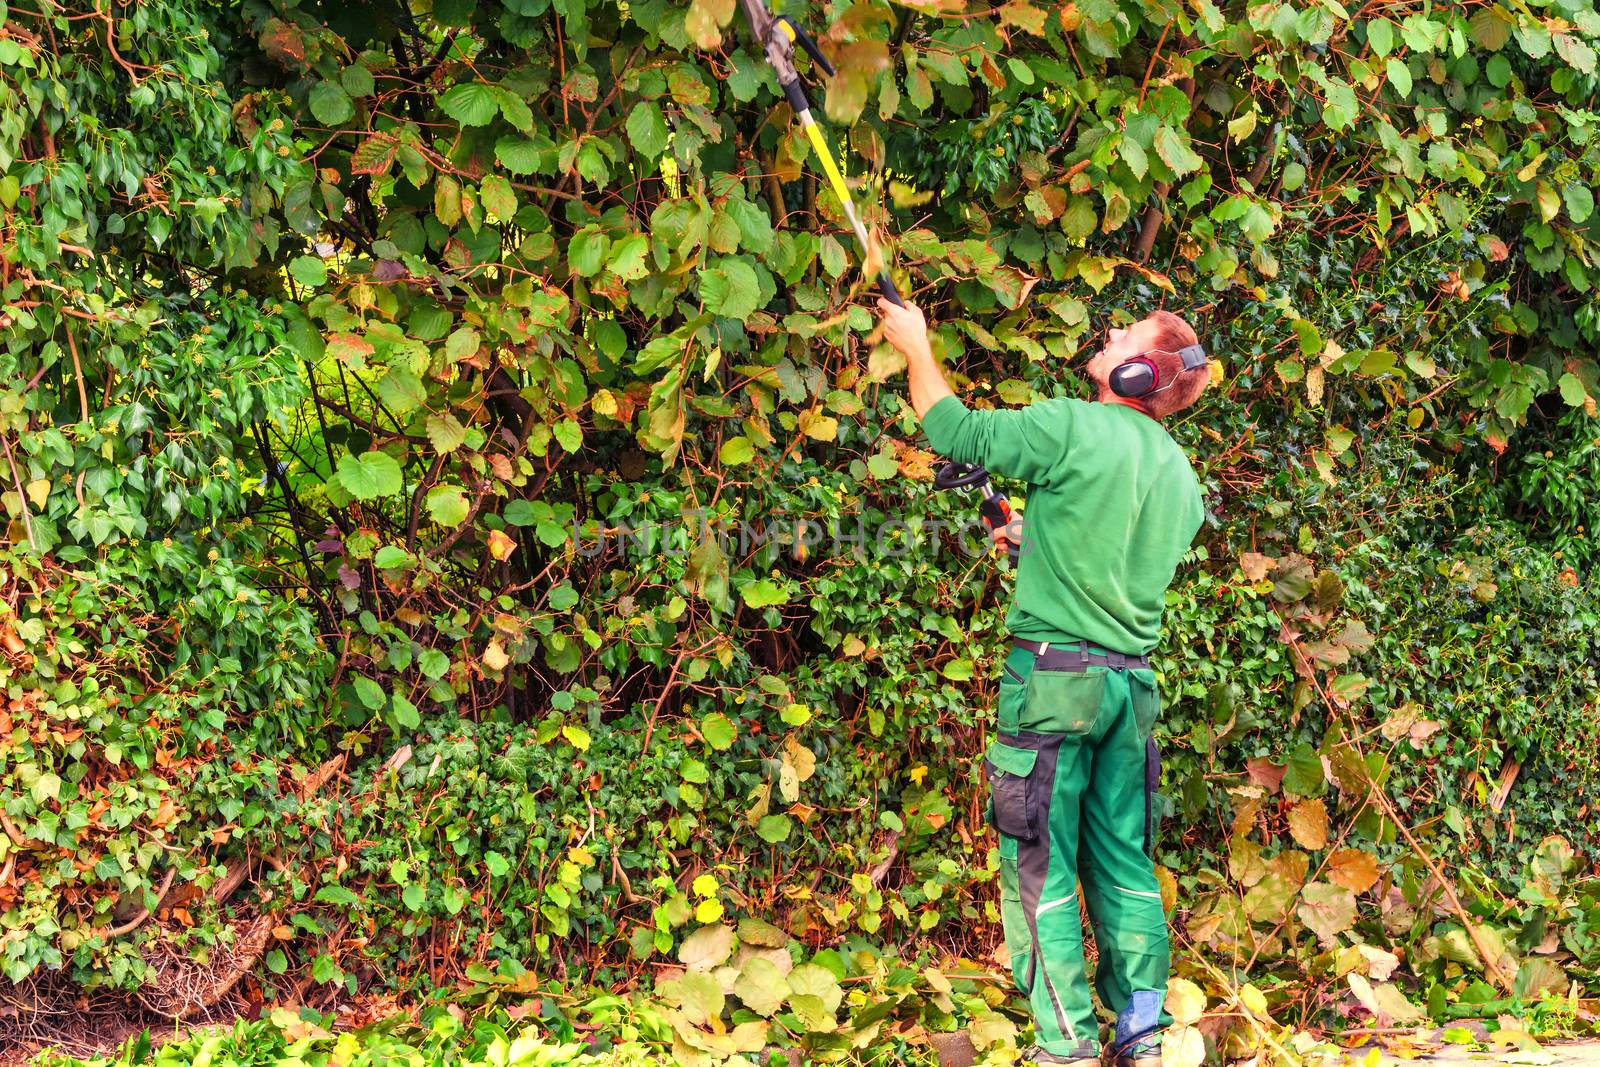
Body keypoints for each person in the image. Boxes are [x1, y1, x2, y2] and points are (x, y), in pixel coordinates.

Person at [878, 297, 1209, 1067]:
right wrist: (1033, 535)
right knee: (1124, 862)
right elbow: (1110, 555)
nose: (1110, 337)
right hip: (1129, 691)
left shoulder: (1073, 425)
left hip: (1055, 685)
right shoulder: (1180, 476)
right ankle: (1144, 1038)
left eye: (1125, 338)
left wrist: (917, 345)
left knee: (1040, 863)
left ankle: (1065, 1048)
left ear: (1136, 371)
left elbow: (954, 428)